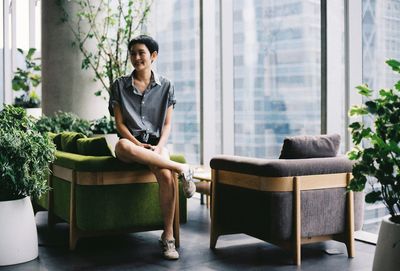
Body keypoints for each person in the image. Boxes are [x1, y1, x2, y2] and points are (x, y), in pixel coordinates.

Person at [109, 35, 195, 260]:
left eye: (142, 53)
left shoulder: (166, 85)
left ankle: (168, 238)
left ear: (153, 56)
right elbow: (119, 124)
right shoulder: (119, 85)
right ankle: (181, 168)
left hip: (157, 145)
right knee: (121, 145)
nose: (137, 57)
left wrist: (158, 148)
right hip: (131, 144)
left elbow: (167, 124)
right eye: (133, 53)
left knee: (166, 176)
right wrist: (138, 144)